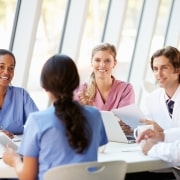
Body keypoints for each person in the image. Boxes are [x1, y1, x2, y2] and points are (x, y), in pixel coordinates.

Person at [2, 54, 108, 180]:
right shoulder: (95, 115)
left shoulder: (37, 120)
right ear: (75, 83)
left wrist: (14, 160)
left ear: (44, 85)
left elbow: (27, 176)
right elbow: (97, 147)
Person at [74, 42, 135, 135]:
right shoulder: (80, 91)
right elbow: (74, 124)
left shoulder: (125, 89)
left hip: (118, 143)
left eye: (107, 61)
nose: (102, 65)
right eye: (97, 60)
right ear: (92, 62)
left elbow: (126, 125)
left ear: (114, 63)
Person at [0, 49, 38, 138]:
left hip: (14, 148)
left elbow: (38, 123)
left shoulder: (21, 95)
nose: (6, 72)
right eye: (1, 66)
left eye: (11, 68)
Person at [141, 46, 180, 132]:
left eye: (164, 68)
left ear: (177, 70)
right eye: (155, 69)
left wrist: (162, 133)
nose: (159, 74)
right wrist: (130, 129)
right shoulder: (151, 99)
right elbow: (143, 128)